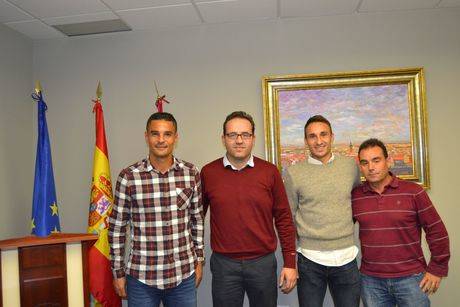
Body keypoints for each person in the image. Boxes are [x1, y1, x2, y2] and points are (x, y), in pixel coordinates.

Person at [200, 111, 297, 307]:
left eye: (245, 135)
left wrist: (290, 263)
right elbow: (195, 220)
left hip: (262, 264)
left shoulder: (270, 172)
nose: (239, 140)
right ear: (223, 139)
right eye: (232, 135)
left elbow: (284, 219)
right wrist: (196, 257)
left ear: (253, 138)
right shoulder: (208, 173)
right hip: (224, 265)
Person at [108, 112, 204, 307]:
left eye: (167, 134)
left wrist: (199, 259)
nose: (161, 140)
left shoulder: (191, 173)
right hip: (142, 278)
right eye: (155, 134)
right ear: (146, 136)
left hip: (182, 275)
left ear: (176, 138)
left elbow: (197, 220)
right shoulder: (129, 177)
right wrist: (118, 272)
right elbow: (117, 228)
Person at [352, 138, 450, 307]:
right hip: (371, 281)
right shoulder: (356, 196)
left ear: (388, 161)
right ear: (360, 166)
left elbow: (437, 231)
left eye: (376, 160)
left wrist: (437, 269)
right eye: (365, 162)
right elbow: (338, 226)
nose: (371, 167)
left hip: (411, 279)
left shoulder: (414, 192)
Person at [284, 115, 361, 307]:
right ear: (305, 141)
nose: (319, 141)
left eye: (323, 134)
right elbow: (289, 216)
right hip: (309, 259)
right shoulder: (294, 173)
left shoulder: (350, 166)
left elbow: (357, 203)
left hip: (346, 257)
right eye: (312, 136)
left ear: (332, 136)